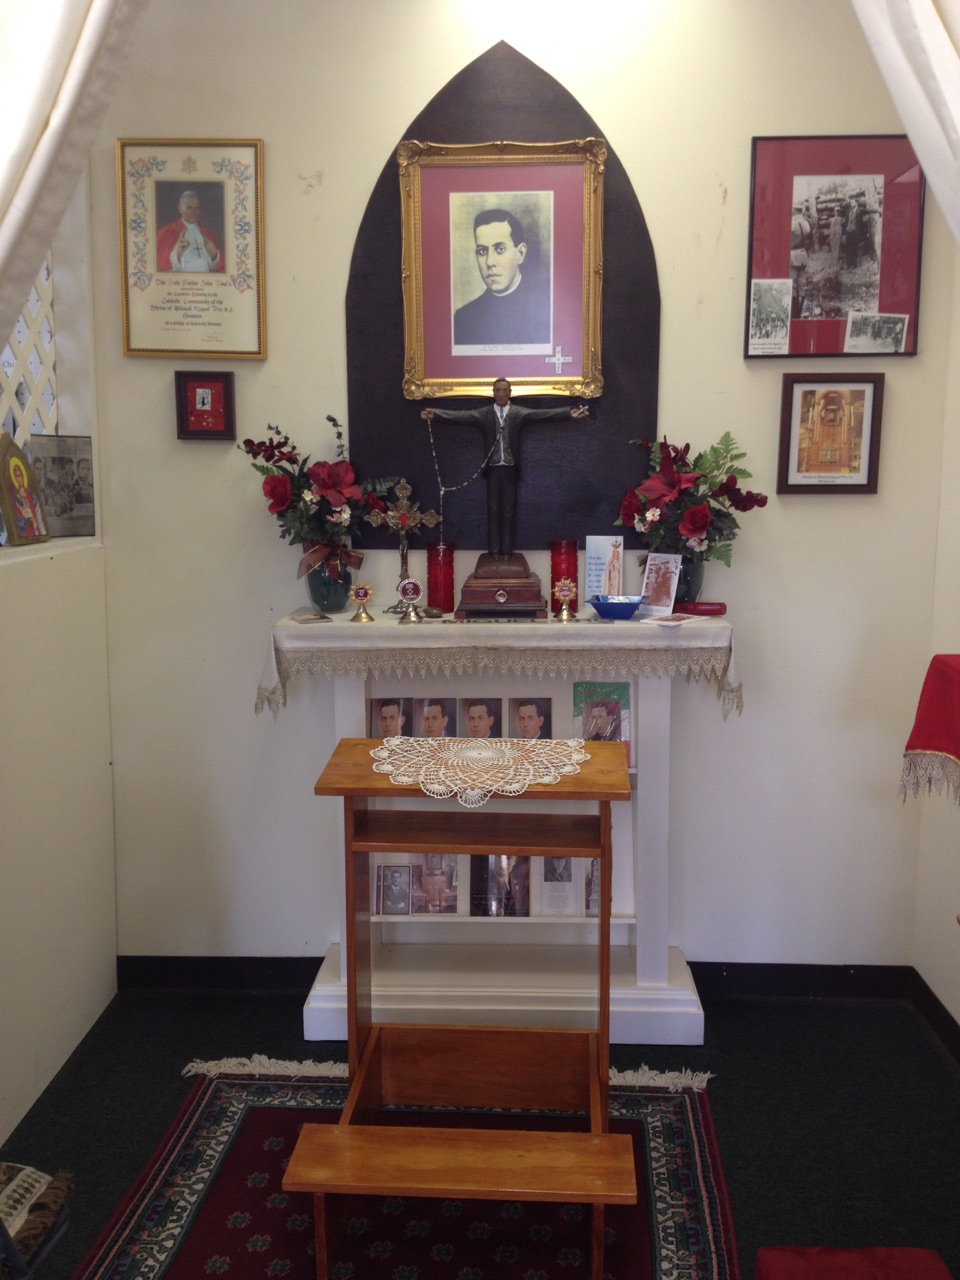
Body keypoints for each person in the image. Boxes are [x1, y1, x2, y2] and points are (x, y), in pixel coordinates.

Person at [421, 379, 589, 559]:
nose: (501, 394)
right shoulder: (485, 414)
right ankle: (494, 551)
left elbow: (542, 414)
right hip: (493, 469)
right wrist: (436, 414)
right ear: (493, 393)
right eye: (498, 391)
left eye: (504, 390)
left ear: (510, 393)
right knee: (493, 510)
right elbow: (462, 417)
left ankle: (507, 551)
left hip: (510, 468)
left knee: (508, 511)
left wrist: (569, 413)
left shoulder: (518, 413)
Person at [453, 209, 550, 346]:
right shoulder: (464, 318)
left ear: (520, 254)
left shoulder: (546, 308)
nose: (489, 262)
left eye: (500, 249)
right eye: (482, 251)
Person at [157, 190, 224, 273]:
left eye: (197, 208)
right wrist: (177, 254)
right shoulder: (167, 232)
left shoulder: (207, 233)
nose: (193, 212)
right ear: (180, 209)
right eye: (189, 208)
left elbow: (218, 268)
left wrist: (214, 254)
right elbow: (160, 267)